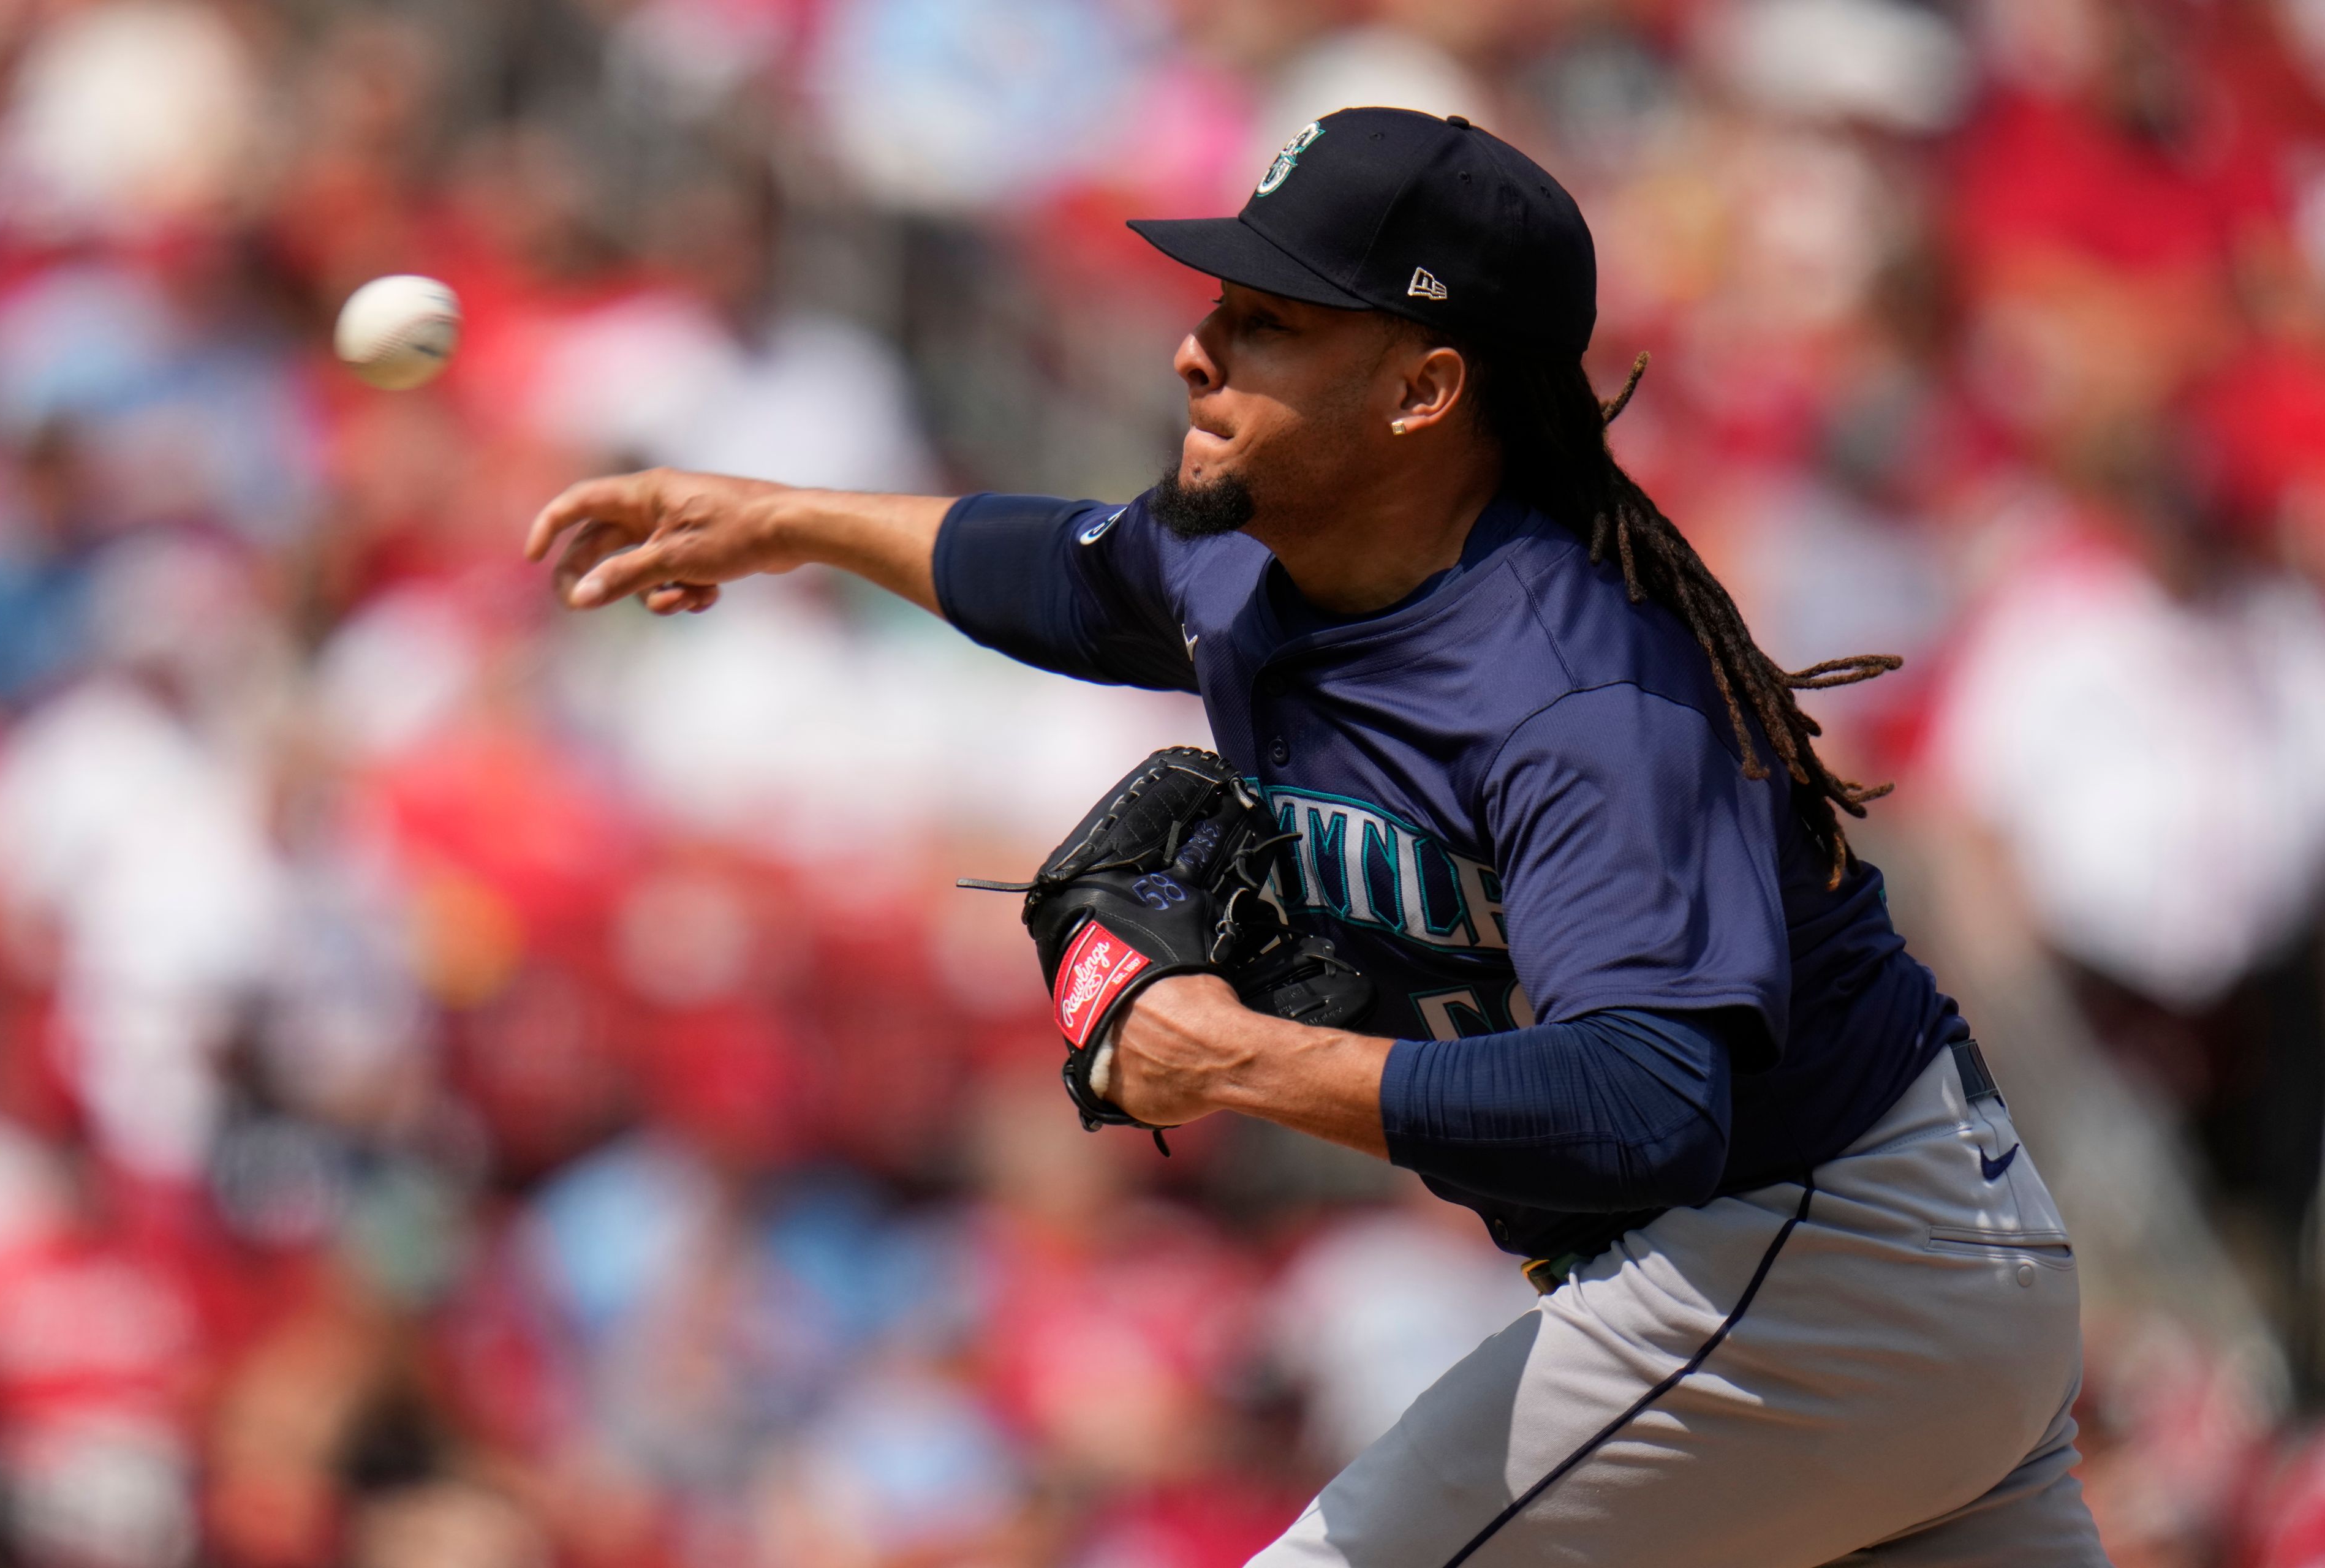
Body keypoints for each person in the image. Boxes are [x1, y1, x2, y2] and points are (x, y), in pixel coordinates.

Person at [525, 108, 2109, 1566]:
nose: (1196, 352)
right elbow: (1072, 574)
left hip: (1812, 1262)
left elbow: (1650, 1101)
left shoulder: (1575, 692)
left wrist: (1225, 1060)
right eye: (1220, 308)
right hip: (1900, 1280)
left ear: (1425, 391)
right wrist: (790, 521)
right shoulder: (1260, 556)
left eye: (1267, 325)